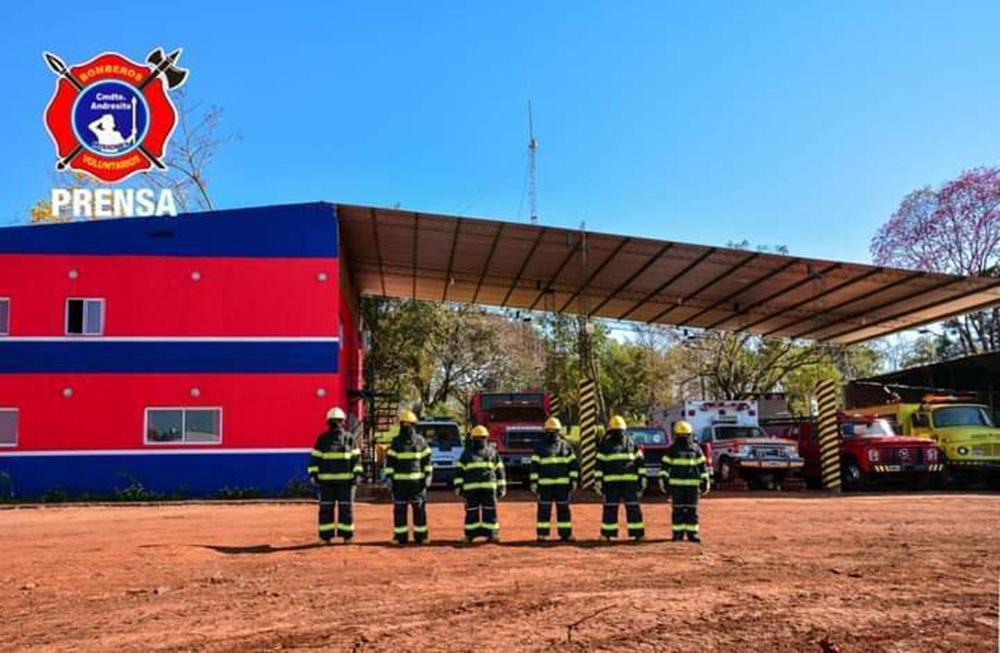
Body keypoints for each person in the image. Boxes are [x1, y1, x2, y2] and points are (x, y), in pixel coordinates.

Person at [307, 407, 362, 543]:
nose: (336, 423)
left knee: (340, 510)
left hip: (340, 483)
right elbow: (315, 459)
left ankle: (342, 536)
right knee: (333, 510)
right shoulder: (324, 439)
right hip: (332, 484)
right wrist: (313, 473)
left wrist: (358, 475)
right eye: (335, 421)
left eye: (337, 421)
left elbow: (357, 461)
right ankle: (333, 537)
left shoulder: (349, 439)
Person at [384, 410, 433, 545]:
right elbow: (390, 463)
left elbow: (427, 462)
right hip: (399, 485)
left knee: (419, 510)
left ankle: (421, 537)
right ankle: (400, 538)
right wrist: (389, 478)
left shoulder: (421, 442)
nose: (405, 426)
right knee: (400, 510)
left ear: (413, 425)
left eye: (408, 424)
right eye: (403, 424)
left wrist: (428, 476)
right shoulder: (396, 442)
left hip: (418, 484)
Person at [595, 415, 646, 542]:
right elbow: (640, 462)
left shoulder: (605, 445)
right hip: (629, 482)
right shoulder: (631, 442)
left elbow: (599, 464)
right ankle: (638, 534)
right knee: (633, 507)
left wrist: (598, 481)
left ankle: (607, 534)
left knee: (610, 508)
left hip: (611, 483)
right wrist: (642, 478)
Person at [659, 420, 710, 543]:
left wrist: (705, 480)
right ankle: (678, 534)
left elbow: (703, 467)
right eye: (681, 435)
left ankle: (692, 534)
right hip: (678, 486)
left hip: (691, 486)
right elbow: (664, 467)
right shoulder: (672, 450)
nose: (683, 437)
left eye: (685, 435)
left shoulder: (696, 449)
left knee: (692, 511)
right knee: (678, 510)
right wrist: (663, 480)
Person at [454, 425, 506, 543]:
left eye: (480, 437)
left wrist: (502, 486)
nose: (479, 440)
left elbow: (500, 470)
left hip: (477, 490)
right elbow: (459, 471)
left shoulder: (469, 453)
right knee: (477, 512)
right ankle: (473, 535)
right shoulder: (472, 454)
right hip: (480, 490)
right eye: (478, 438)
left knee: (485, 511)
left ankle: (488, 534)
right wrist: (458, 486)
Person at [530, 417, 579, 542]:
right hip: (556, 486)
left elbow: (573, 465)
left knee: (552, 510)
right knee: (556, 510)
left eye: (553, 430)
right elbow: (534, 466)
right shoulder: (564, 446)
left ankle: (555, 534)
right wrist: (573, 480)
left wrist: (573, 480)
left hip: (551, 486)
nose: (552, 433)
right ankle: (559, 535)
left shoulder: (542, 447)